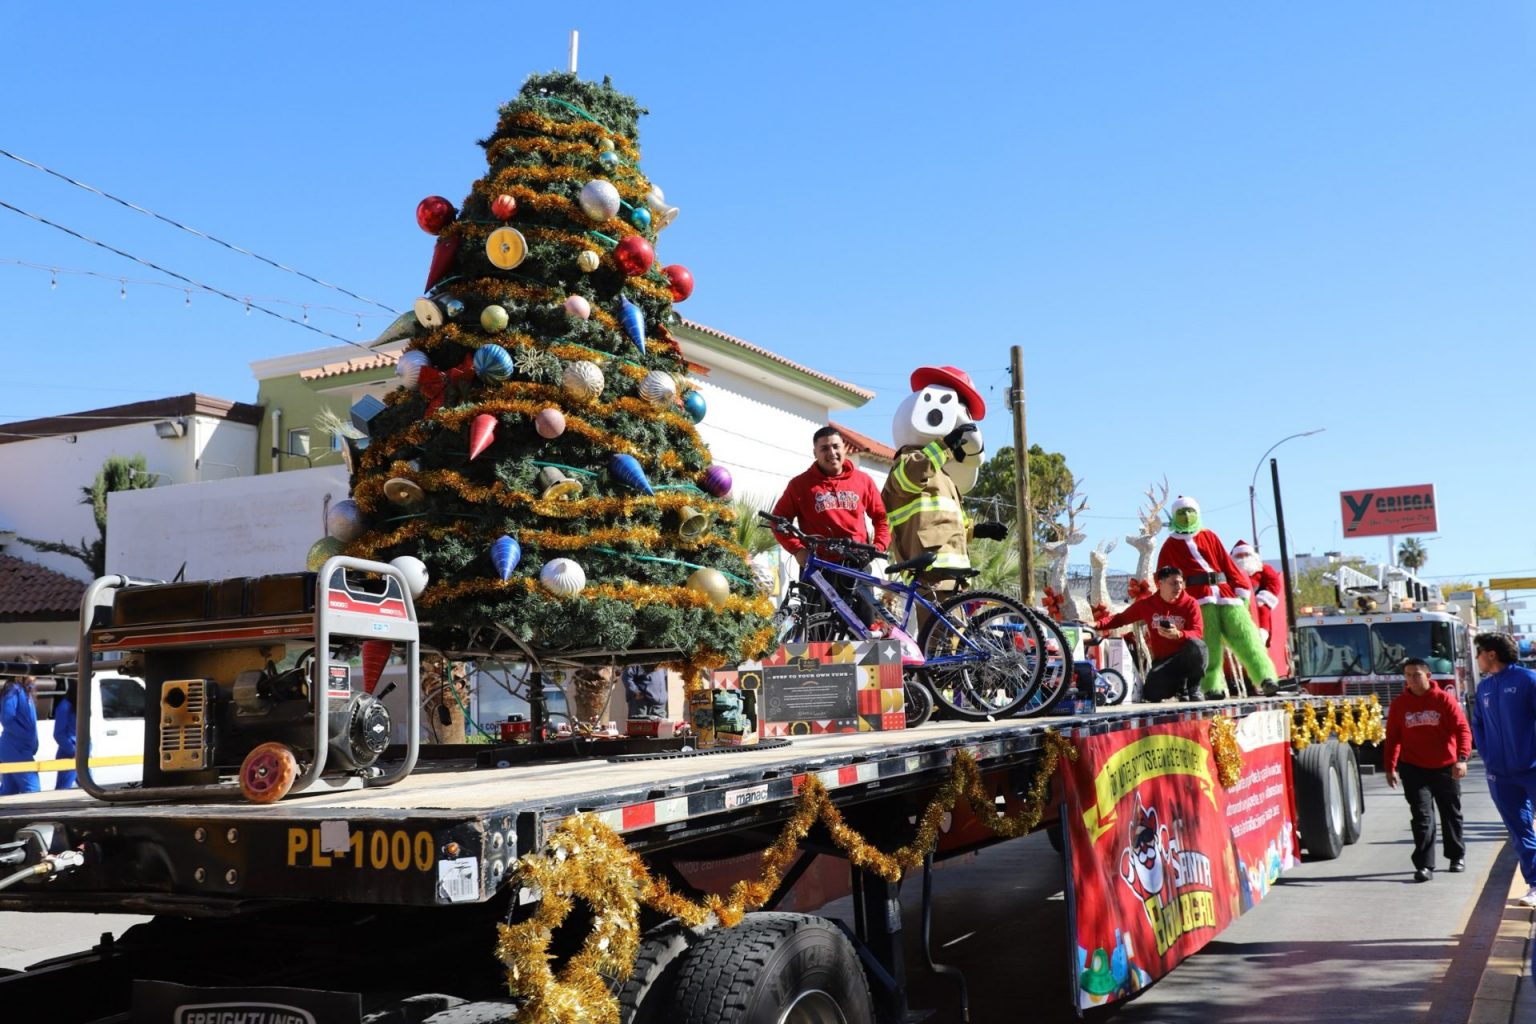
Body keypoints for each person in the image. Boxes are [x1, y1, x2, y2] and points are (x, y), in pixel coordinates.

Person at [1156, 496, 1277, 699]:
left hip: (1226, 595)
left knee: (1247, 638)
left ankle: (1266, 678)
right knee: (1208, 646)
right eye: (1182, 512)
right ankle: (1212, 687)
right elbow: (1162, 577)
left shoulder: (1209, 536)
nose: (1187, 516)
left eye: (1191, 511)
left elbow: (1227, 564)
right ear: (1175, 516)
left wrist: (1241, 590)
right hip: (1199, 601)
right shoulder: (1169, 545)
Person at [772, 426, 891, 625]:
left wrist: (878, 546)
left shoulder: (863, 481)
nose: (832, 453)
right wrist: (798, 550)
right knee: (817, 632)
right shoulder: (800, 485)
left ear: (844, 449)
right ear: (815, 453)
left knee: (863, 630)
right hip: (817, 568)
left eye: (836, 446)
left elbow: (881, 518)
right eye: (824, 448)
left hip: (857, 565)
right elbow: (777, 521)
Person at [1384, 657, 1471, 881]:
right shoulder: (1399, 704)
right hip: (1413, 768)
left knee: (1450, 814)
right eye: (1408, 675)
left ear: (1428, 676)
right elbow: (1393, 738)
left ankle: (1456, 856)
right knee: (1422, 817)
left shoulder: (1444, 700)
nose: (1412, 679)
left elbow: (1462, 729)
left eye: (1417, 674)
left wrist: (1462, 758)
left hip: (1445, 767)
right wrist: (1390, 767)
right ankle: (1424, 865)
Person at [1471, 632, 1536, 906]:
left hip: (1532, 769)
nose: (1476, 659)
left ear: (1491, 654)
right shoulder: (1484, 687)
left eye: (1478, 653)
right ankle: (1535, 885)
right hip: (1500, 775)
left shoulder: (1528, 680)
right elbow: (1478, 724)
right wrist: (1488, 757)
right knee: (1520, 831)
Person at [1096, 566, 1208, 702]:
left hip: (1185, 657)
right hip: (1164, 661)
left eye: (1180, 582)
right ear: (1160, 584)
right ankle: (1179, 688)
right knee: (1151, 694)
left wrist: (1178, 634)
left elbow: (1197, 633)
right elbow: (1120, 619)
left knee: (1198, 645)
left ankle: (1194, 688)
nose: (1179, 587)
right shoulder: (1148, 604)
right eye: (1173, 583)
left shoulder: (1191, 603)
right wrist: (1096, 624)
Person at [0, 666, 41, 796]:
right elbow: (7, 719)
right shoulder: (14, 690)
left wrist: (33, 742)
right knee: (33, 789)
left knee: (9, 791)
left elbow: (30, 724)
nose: (36, 676)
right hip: (15, 748)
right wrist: (26, 738)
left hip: (19, 748)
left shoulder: (25, 691)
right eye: (34, 672)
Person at [53, 678, 78, 790]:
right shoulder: (64, 706)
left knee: (88, 788)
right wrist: (73, 751)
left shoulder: (80, 706)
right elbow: (58, 734)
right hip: (69, 754)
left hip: (80, 754)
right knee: (63, 789)